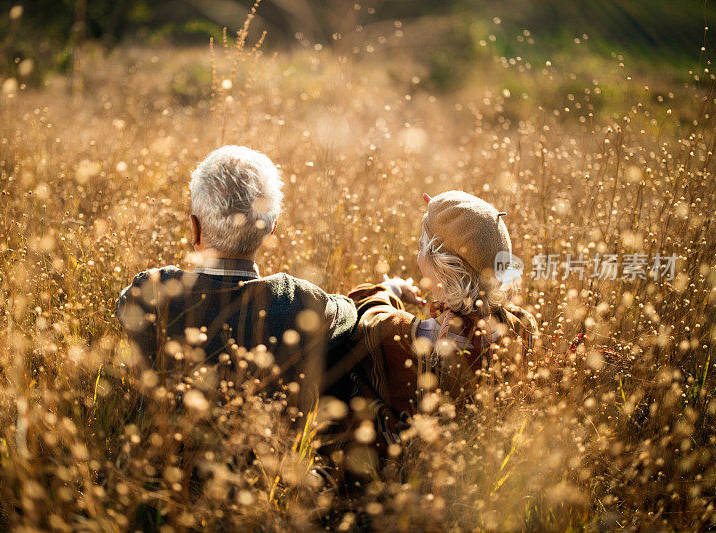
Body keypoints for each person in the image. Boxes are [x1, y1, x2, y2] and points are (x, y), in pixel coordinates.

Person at [116, 145, 356, 411]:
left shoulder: (151, 291)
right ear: (271, 231)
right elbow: (348, 312)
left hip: (167, 450)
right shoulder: (301, 300)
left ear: (194, 228)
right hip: (271, 449)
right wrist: (382, 291)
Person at [344, 190, 537, 444]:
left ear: (438, 264)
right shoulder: (521, 326)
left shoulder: (406, 338)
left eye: (423, 244)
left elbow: (366, 314)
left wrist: (390, 289)